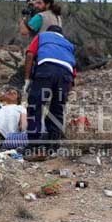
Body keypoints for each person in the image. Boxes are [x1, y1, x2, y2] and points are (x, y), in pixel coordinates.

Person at [23, 25, 76, 160]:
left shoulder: (42, 36)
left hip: (46, 69)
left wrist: (27, 79)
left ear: (49, 32)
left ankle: (34, 145)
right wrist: (65, 93)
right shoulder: (68, 44)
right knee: (57, 109)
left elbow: (30, 54)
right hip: (66, 74)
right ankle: (53, 145)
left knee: (35, 105)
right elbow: (73, 70)